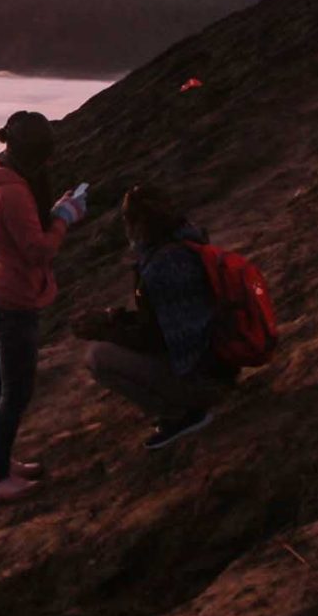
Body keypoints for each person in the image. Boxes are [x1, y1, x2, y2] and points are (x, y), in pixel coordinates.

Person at [0, 110, 88, 504]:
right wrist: (64, 219)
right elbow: (37, 250)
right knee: (16, 392)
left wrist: (54, 213)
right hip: (12, 299)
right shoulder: (15, 192)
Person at [71, 185, 231, 450]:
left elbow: (155, 339)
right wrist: (114, 318)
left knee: (97, 357)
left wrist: (106, 329)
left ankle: (185, 413)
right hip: (220, 363)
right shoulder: (187, 242)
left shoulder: (162, 266)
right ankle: (187, 406)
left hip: (203, 378)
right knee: (110, 347)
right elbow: (163, 321)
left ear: (136, 224)